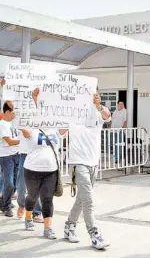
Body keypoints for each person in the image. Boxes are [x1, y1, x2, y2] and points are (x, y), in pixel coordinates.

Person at [33, 88, 112, 249]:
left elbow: (108, 115)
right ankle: (94, 234)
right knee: (88, 201)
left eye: (94, 95)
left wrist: (99, 106)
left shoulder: (98, 113)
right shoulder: (71, 115)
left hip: (93, 164)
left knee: (82, 199)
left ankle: (69, 226)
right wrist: (37, 101)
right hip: (79, 163)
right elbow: (52, 122)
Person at [20, 126, 59, 239]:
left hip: (51, 170)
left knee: (47, 199)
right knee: (32, 196)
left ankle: (47, 228)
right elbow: (24, 130)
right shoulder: (31, 127)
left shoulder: (55, 127)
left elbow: (66, 126)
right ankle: (28, 218)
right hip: (32, 170)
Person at [17, 128, 44, 222]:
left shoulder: (41, 121)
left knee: (35, 186)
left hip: (37, 154)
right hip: (24, 155)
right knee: (21, 185)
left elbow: (41, 140)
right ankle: (21, 205)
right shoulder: (23, 118)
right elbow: (24, 134)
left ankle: (36, 212)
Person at [0, 101, 20, 217]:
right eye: (13, 111)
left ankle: (3, 201)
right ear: (7, 112)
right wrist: (23, 141)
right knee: (9, 183)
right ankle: (6, 206)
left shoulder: (15, 123)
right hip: (6, 157)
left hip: (16, 155)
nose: (15, 113)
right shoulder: (2, 124)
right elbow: (9, 141)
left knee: (15, 184)